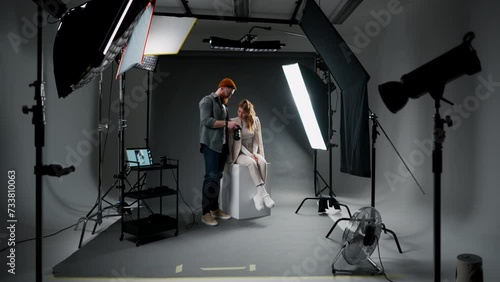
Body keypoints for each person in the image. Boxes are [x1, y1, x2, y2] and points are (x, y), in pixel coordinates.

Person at [199, 78, 239, 226]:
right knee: (210, 177)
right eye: (230, 92)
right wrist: (227, 123)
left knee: (217, 177)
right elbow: (206, 121)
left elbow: (225, 126)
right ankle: (205, 213)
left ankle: (215, 208)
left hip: (222, 147)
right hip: (210, 145)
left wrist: (235, 125)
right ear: (223, 87)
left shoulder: (224, 107)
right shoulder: (207, 100)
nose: (231, 95)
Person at [228, 99, 275, 211]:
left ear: (249, 113)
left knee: (262, 162)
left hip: (252, 151)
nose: (240, 114)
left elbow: (257, 140)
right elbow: (237, 142)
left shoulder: (256, 120)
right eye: (239, 111)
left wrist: (254, 153)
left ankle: (258, 195)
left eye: (243, 112)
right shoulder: (234, 121)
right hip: (240, 153)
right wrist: (250, 155)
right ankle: (264, 194)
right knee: (252, 162)